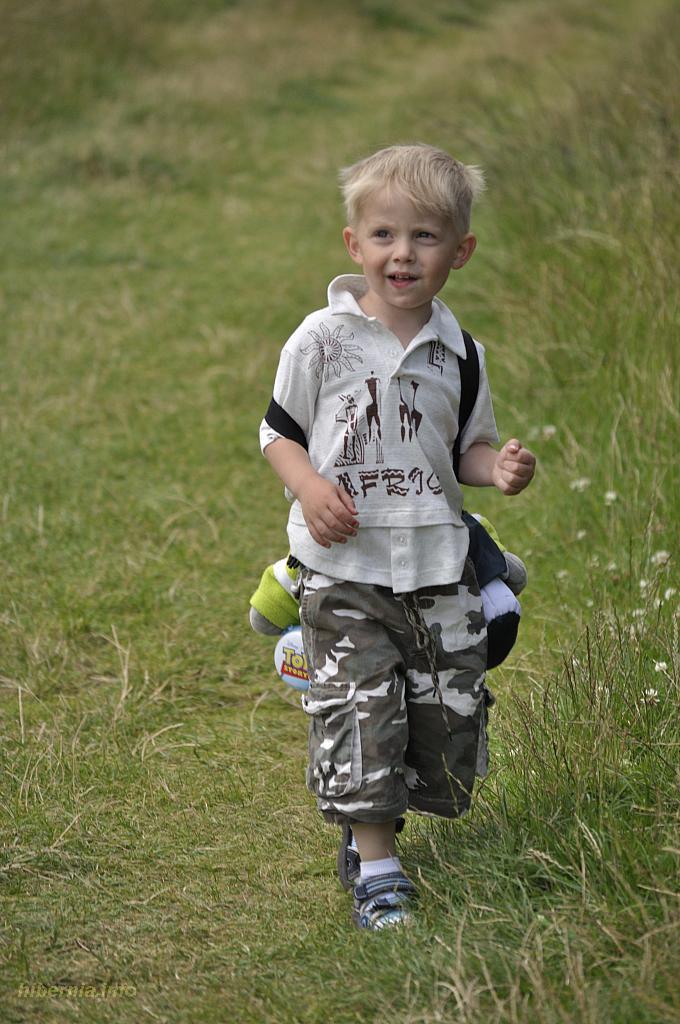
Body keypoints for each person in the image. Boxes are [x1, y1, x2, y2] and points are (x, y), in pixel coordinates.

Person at [259, 143, 536, 930]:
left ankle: (375, 813)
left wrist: (496, 468)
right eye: (384, 235)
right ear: (355, 244)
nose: (402, 253)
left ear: (460, 251)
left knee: (441, 723)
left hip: (435, 566)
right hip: (344, 567)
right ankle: (377, 868)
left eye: (424, 237)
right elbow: (278, 434)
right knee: (361, 709)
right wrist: (311, 488)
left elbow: (464, 450)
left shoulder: (462, 355)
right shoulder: (321, 339)